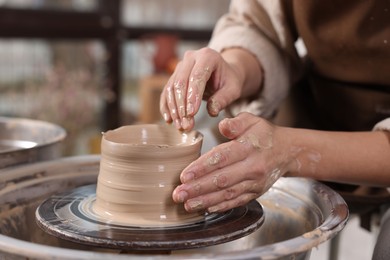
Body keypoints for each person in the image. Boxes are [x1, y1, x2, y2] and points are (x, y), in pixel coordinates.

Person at [159, 0, 390, 221]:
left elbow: (285, 150)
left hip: (374, 151)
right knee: (204, 162)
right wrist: (235, 67)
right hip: (315, 109)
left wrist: (291, 152)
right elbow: (261, 27)